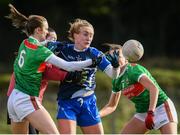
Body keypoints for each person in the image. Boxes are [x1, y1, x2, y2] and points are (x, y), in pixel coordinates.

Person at [6, 4, 96, 134]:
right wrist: (92, 61)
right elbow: (68, 66)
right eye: (46, 29)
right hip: (26, 99)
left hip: (13, 99)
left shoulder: (24, 43)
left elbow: (38, 47)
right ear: (38, 30)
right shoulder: (41, 51)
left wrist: (48, 43)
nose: (48, 32)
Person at [47, 18, 120, 134]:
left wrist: (116, 67)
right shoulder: (64, 50)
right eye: (85, 34)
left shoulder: (94, 53)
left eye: (91, 35)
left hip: (88, 102)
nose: (89, 38)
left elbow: (113, 75)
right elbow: (41, 51)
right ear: (75, 35)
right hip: (67, 102)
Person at [99, 43, 178, 134]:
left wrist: (151, 113)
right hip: (143, 113)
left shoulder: (133, 70)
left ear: (126, 59)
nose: (115, 59)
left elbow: (153, 89)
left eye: (118, 56)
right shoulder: (116, 80)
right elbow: (111, 106)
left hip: (161, 107)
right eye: (112, 57)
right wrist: (97, 115)